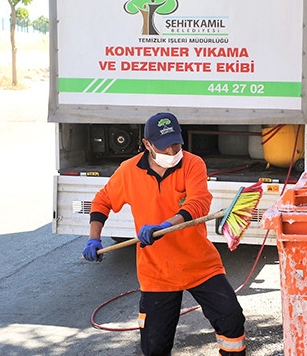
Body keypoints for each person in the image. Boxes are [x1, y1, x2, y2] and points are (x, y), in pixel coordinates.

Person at [82, 112, 247, 356]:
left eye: (176, 143)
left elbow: (198, 203)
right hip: (157, 271)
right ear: (147, 144)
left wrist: (165, 225)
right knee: (155, 345)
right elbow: (102, 200)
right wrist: (93, 237)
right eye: (164, 146)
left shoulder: (193, 163)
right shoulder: (128, 171)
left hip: (199, 264)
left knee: (231, 319)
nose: (172, 151)